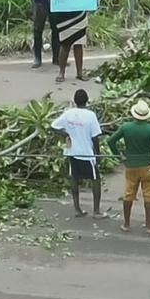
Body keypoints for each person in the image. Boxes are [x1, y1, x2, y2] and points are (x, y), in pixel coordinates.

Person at [107, 100, 150, 235]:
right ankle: (148, 225)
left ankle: (126, 224)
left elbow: (110, 141)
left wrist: (119, 156)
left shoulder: (126, 127)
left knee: (129, 194)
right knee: (149, 195)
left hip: (131, 165)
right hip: (148, 166)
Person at [51, 89, 105, 218]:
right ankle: (96, 211)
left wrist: (67, 134)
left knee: (74, 178)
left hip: (73, 152)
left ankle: (77, 209)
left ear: (75, 101)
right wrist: (98, 154)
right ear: (87, 100)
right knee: (95, 179)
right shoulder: (90, 115)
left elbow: (53, 126)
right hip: (87, 153)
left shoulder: (68, 113)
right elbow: (95, 137)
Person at [52, 0, 92, 82]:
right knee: (65, 45)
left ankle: (79, 72)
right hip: (65, 17)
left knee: (79, 44)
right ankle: (61, 72)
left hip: (79, 15)